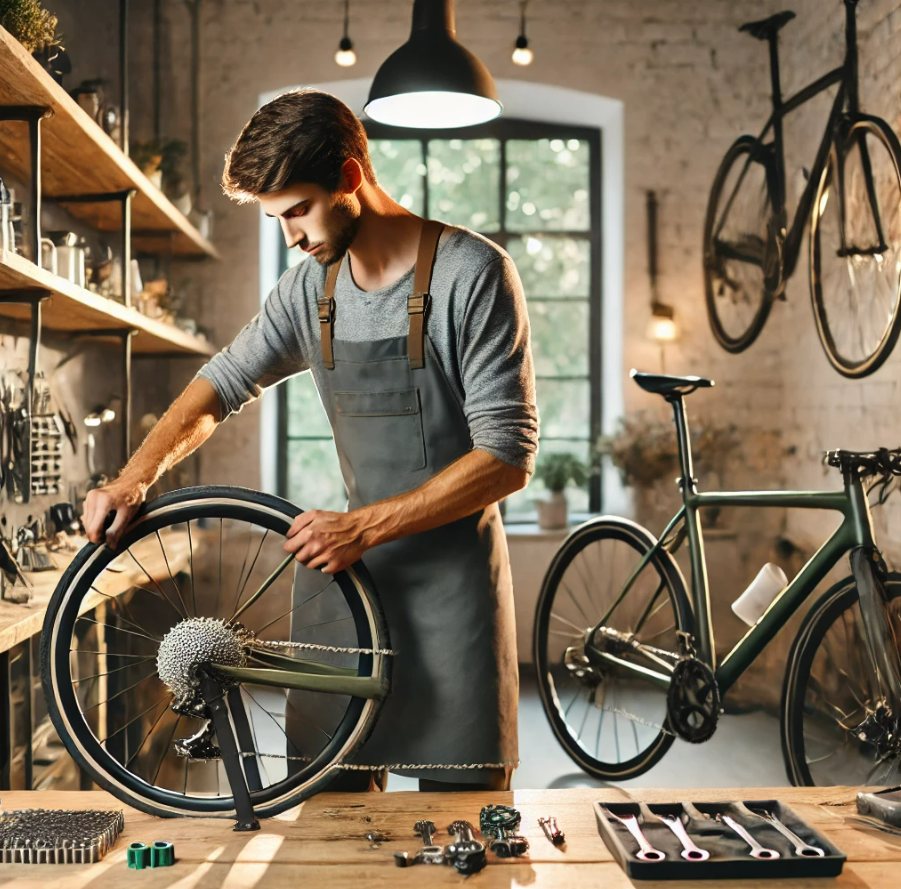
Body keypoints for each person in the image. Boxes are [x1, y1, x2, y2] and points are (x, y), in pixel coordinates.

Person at [82, 89, 539, 793]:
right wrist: (133, 477)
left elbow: (506, 456)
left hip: (453, 595)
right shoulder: (306, 293)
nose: (290, 236)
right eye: (276, 219)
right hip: (347, 584)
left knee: (465, 818)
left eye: (296, 210)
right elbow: (223, 381)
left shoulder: (470, 274)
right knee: (326, 810)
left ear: (351, 178)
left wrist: (364, 523)